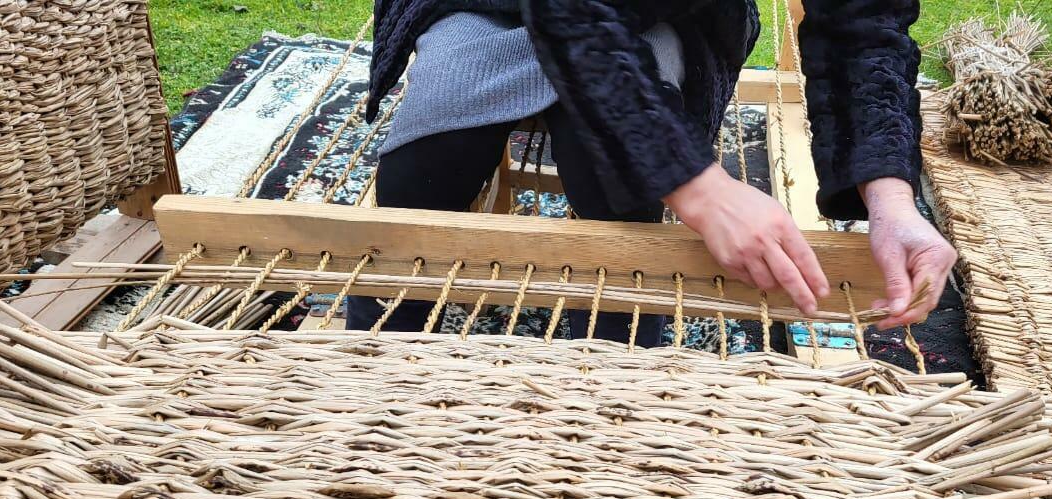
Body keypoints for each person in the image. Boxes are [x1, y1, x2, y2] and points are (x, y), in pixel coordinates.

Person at [348, 0, 957, 348]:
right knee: (427, 163)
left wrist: (891, 197)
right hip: (479, 2)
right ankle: (374, 362)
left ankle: (616, 375)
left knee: (612, 174)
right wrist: (700, 186)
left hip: (666, 11)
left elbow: (863, 23)